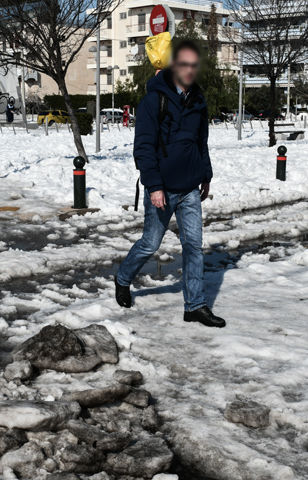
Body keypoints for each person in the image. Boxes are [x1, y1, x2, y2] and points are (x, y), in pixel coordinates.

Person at [114, 40, 225, 328]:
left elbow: (201, 142)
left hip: (190, 187)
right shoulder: (154, 100)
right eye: (183, 64)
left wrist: (206, 174)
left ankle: (195, 306)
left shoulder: (198, 100)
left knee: (193, 246)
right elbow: (144, 148)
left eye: (193, 65)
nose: (189, 70)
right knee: (151, 243)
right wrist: (154, 186)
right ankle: (123, 278)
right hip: (163, 186)